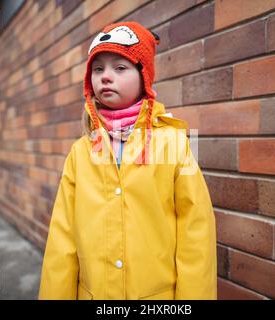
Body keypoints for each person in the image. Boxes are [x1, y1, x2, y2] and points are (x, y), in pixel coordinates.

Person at [38, 21, 217, 300]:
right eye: (98, 69)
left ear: (143, 76)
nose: (106, 77)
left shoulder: (172, 143)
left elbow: (196, 233)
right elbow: (62, 237)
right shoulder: (81, 152)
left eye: (120, 68)